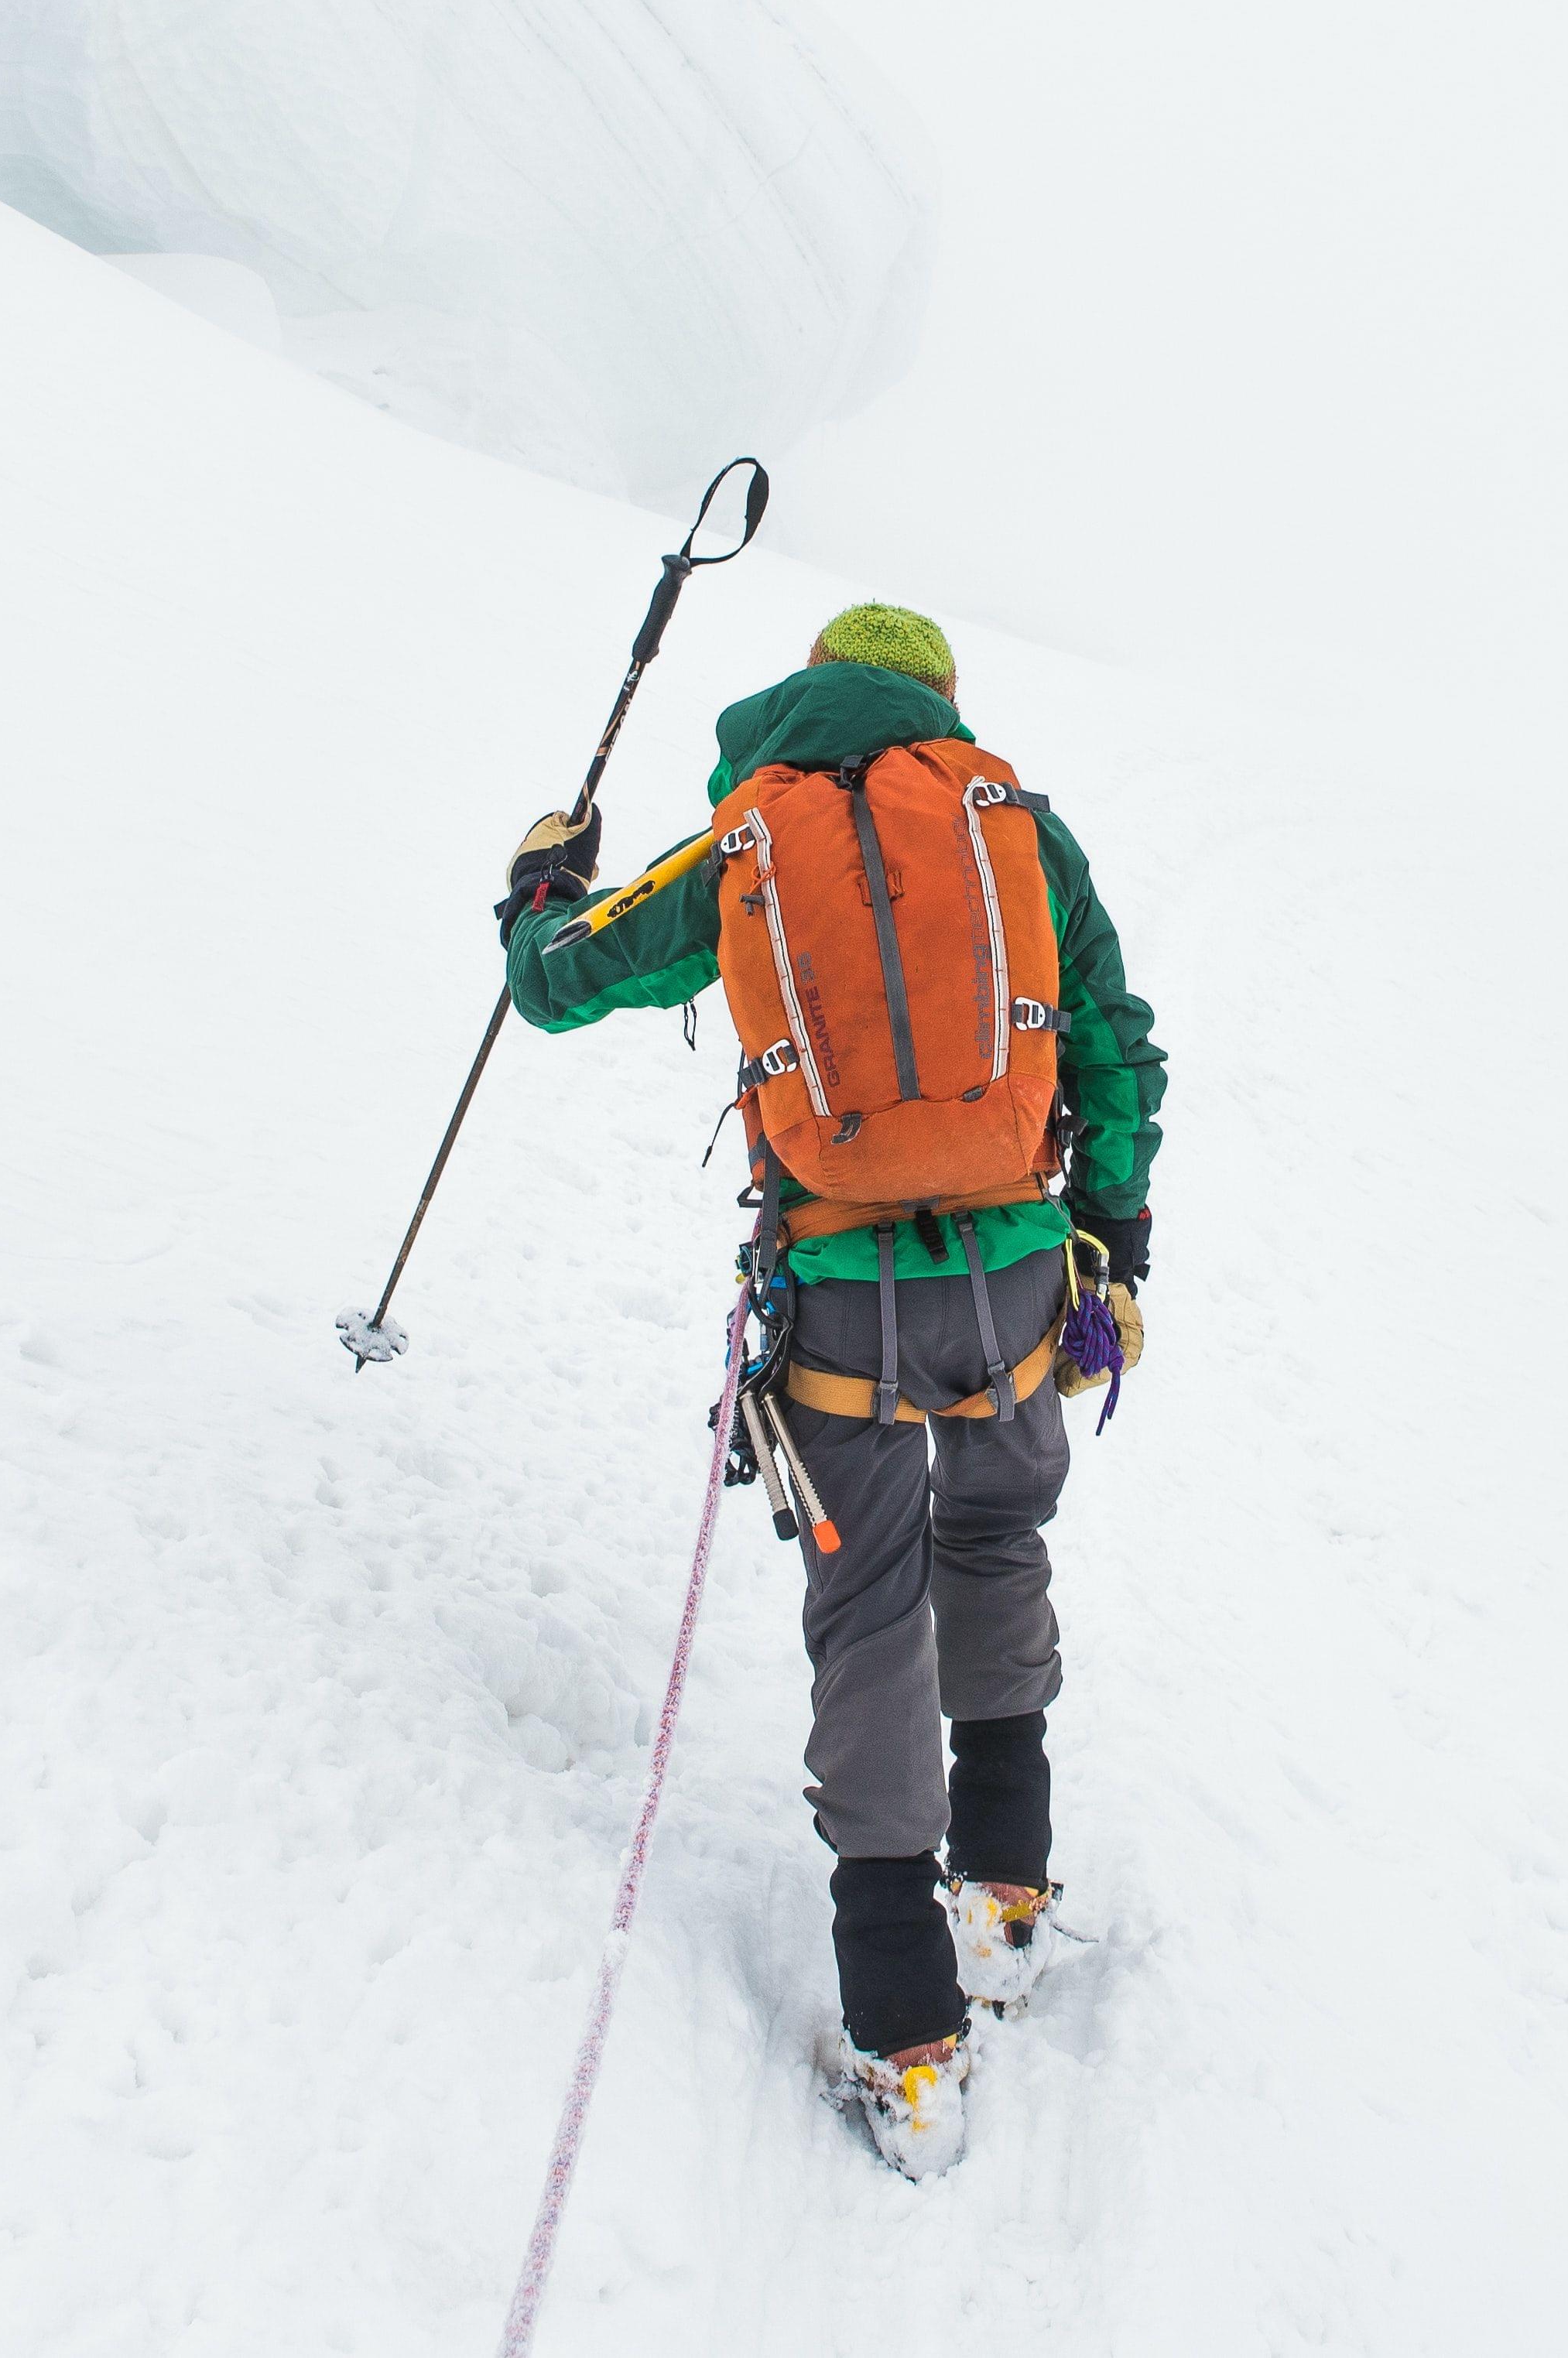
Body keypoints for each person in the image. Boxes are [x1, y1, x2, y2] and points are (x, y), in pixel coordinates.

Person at [492, 601, 1163, 2175]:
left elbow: (563, 979)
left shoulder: (744, 835)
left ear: (814, 692)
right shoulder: (1019, 829)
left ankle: (909, 2043)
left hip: (841, 1294)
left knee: (868, 1615)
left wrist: (539, 886)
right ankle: (1003, 1899)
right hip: (1012, 1273)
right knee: (997, 1547)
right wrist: (1113, 1237)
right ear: (936, 698)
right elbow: (1113, 1039)